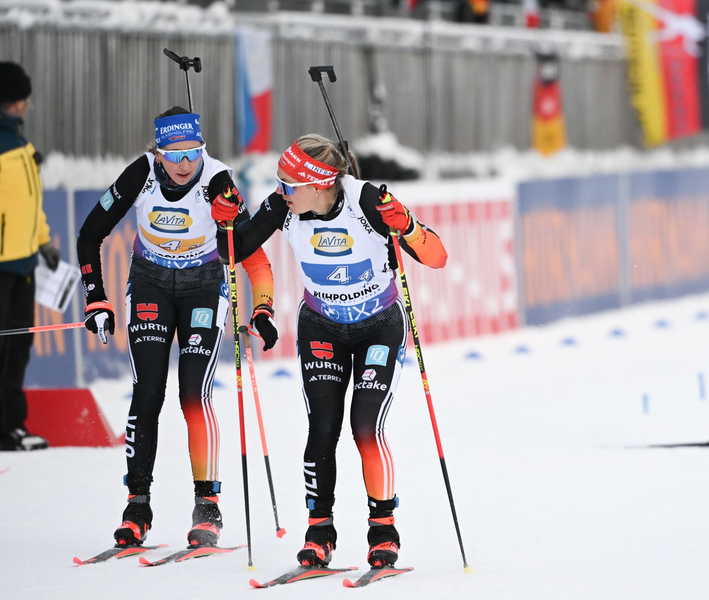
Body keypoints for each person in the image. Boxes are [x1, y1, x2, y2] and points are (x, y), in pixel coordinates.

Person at [214, 134, 448, 568]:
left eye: (288, 183)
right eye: (278, 182)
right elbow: (231, 251)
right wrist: (224, 222)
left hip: (379, 326)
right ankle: (319, 531)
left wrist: (408, 227)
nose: (280, 190)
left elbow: (437, 257)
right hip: (321, 325)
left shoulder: (367, 201)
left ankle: (383, 531)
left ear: (319, 183)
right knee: (322, 428)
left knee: (365, 427)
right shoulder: (283, 206)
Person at [76, 106, 278, 547]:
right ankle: (137, 505)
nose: (185, 164)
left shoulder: (218, 181)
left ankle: (208, 505)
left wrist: (263, 308)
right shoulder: (141, 175)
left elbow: (253, 256)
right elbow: (90, 235)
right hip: (149, 282)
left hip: (203, 286)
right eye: (174, 155)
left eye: (193, 152)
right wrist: (96, 297)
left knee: (193, 393)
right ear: (158, 153)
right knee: (148, 390)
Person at [0, 62, 60, 452]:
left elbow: (30, 204)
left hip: (23, 264)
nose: (24, 105)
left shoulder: (20, 143)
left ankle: (11, 425)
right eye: (19, 99)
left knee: (18, 347)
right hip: (2, 265)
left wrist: (43, 242)